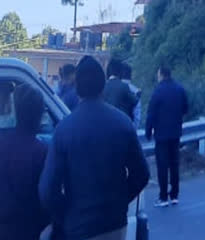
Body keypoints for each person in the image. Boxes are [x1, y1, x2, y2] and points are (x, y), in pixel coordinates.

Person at [39, 55, 149, 240]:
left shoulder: (64, 130)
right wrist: (119, 203)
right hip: (114, 226)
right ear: (103, 86)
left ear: (77, 88)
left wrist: (66, 216)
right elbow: (142, 175)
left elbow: (47, 190)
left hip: (78, 228)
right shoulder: (123, 123)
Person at [0, 83, 50, 240]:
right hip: (28, 229)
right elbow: (47, 194)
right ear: (39, 115)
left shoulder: (3, 142)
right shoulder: (41, 151)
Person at [145, 64, 189, 207]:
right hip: (175, 133)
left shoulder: (158, 92)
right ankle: (174, 195)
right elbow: (185, 108)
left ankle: (163, 197)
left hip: (161, 135)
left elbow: (151, 114)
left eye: (158, 74)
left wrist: (148, 131)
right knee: (174, 164)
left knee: (162, 166)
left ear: (162, 75)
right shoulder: (179, 89)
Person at [122, 62, 142, 129]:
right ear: (130, 75)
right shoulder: (135, 91)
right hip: (130, 129)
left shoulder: (112, 89)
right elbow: (137, 115)